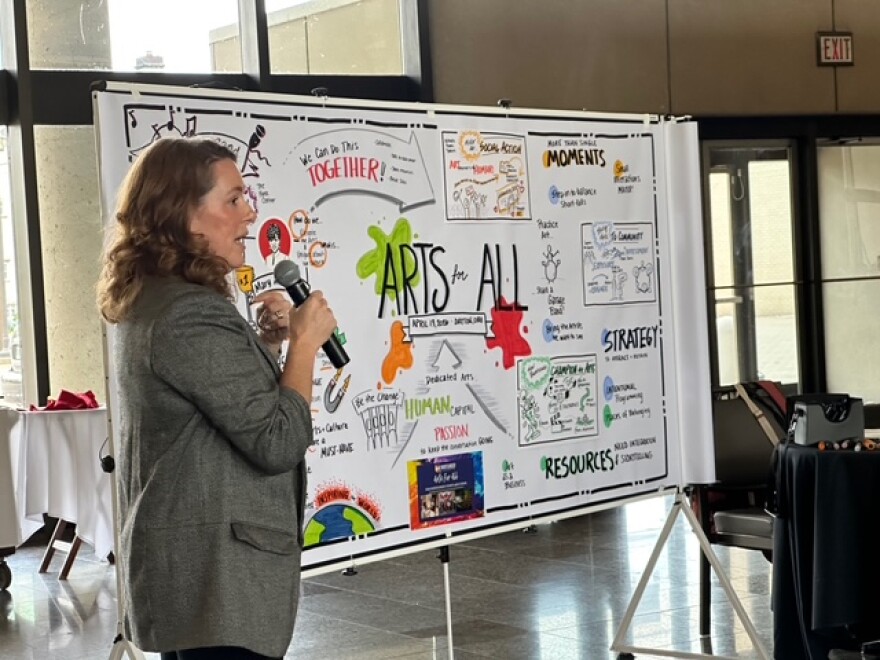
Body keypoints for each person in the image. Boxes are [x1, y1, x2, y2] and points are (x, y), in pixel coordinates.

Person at [97, 136, 337, 660]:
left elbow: (215, 416)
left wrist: (269, 346)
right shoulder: (189, 313)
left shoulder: (158, 298)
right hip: (216, 580)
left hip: (197, 577)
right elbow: (276, 441)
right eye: (233, 200)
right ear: (184, 216)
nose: (249, 214)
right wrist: (304, 347)